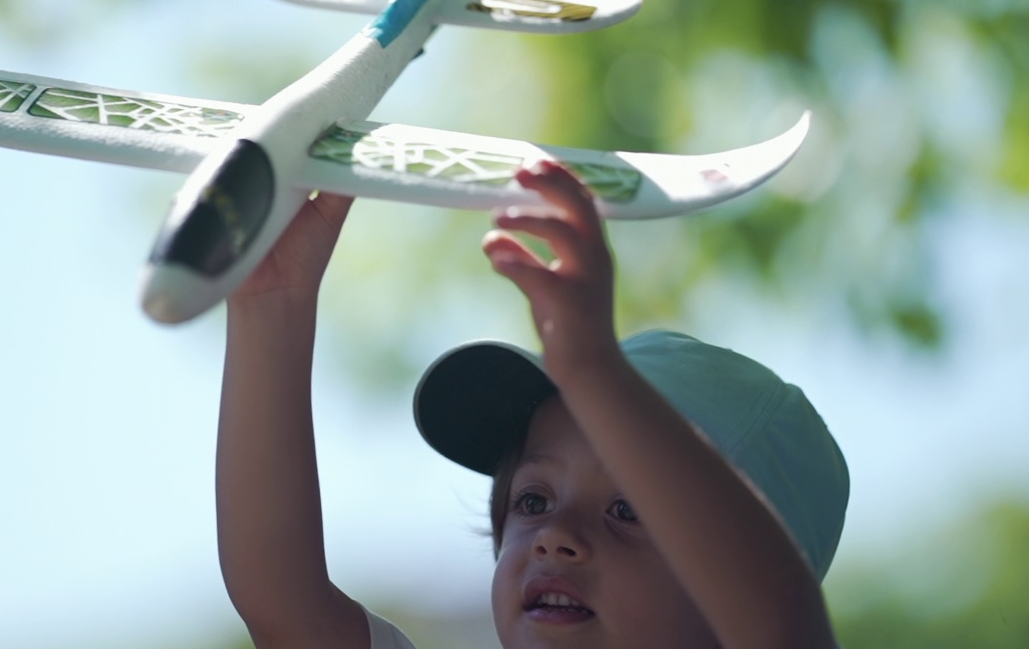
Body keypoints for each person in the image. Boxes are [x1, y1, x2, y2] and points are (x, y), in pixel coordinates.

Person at [215, 161, 849, 648]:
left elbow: (779, 622)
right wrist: (272, 304)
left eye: (629, 508)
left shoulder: (772, 614)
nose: (554, 538)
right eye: (532, 501)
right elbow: (281, 595)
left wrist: (592, 369)